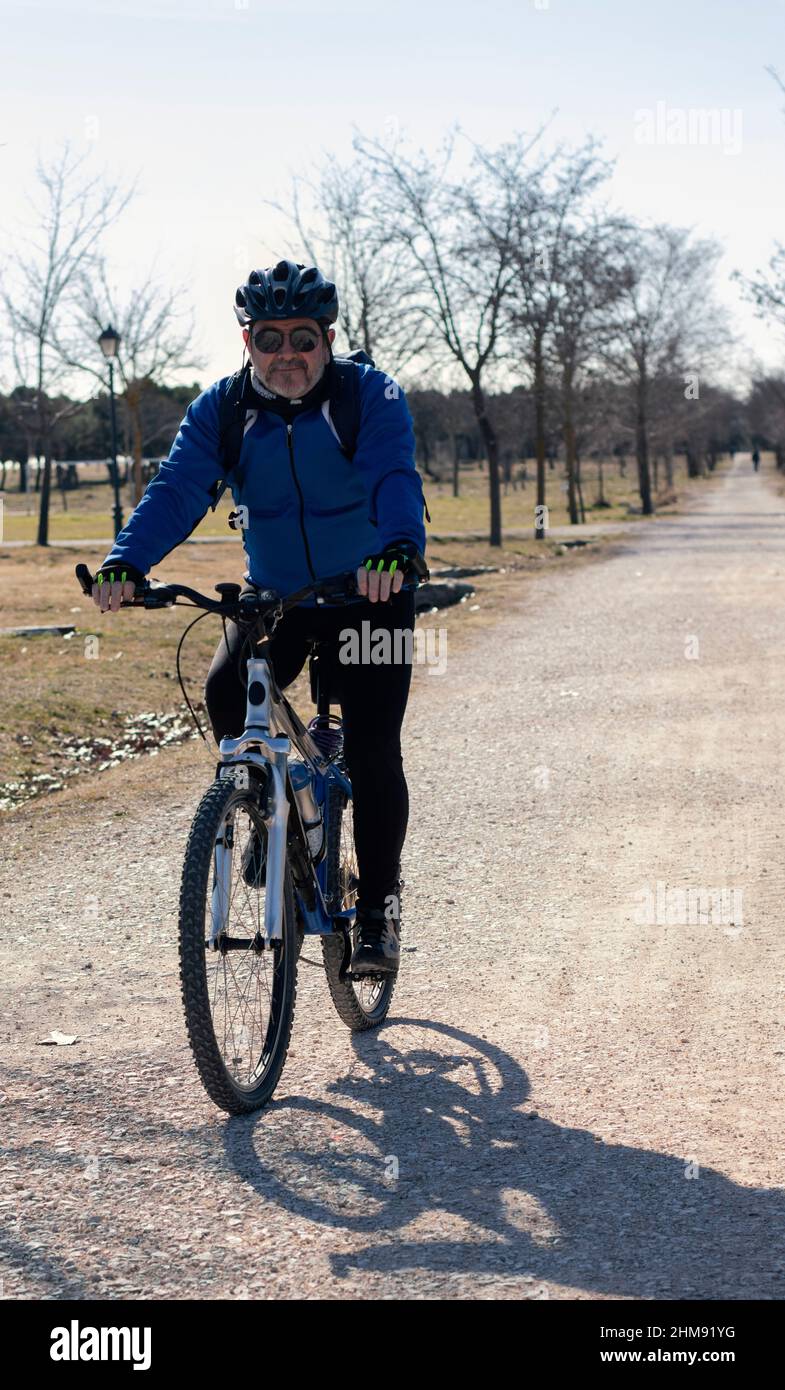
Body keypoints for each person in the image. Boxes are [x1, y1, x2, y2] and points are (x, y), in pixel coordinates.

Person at [88, 259, 429, 976]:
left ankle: (377, 915)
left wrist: (398, 549)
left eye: (302, 338)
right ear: (248, 342)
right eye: (269, 339)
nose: (287, 355)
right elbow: (179, 487)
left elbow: (394, 474)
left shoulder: (368, 396)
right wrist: (127, 562)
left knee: (370, 752)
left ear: (328, 338)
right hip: (277, 598)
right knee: (223, 690)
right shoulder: (222, 409)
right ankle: (260, 803)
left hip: (369, 592)